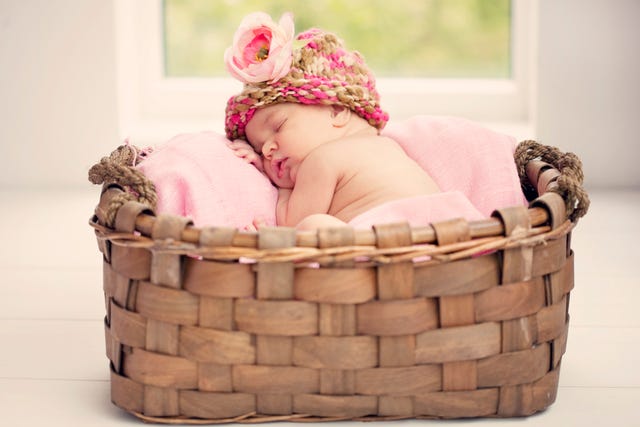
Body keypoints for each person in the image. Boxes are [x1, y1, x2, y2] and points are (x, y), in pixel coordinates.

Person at [224, 12, 440, 230]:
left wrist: (278, 185)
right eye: (259, 150)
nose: (268, 150)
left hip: (392, 235)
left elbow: (290, 223)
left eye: (279, 126)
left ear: (336, 111)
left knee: (312, 225)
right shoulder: (388, 147)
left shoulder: (320, 160)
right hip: (447, 230)